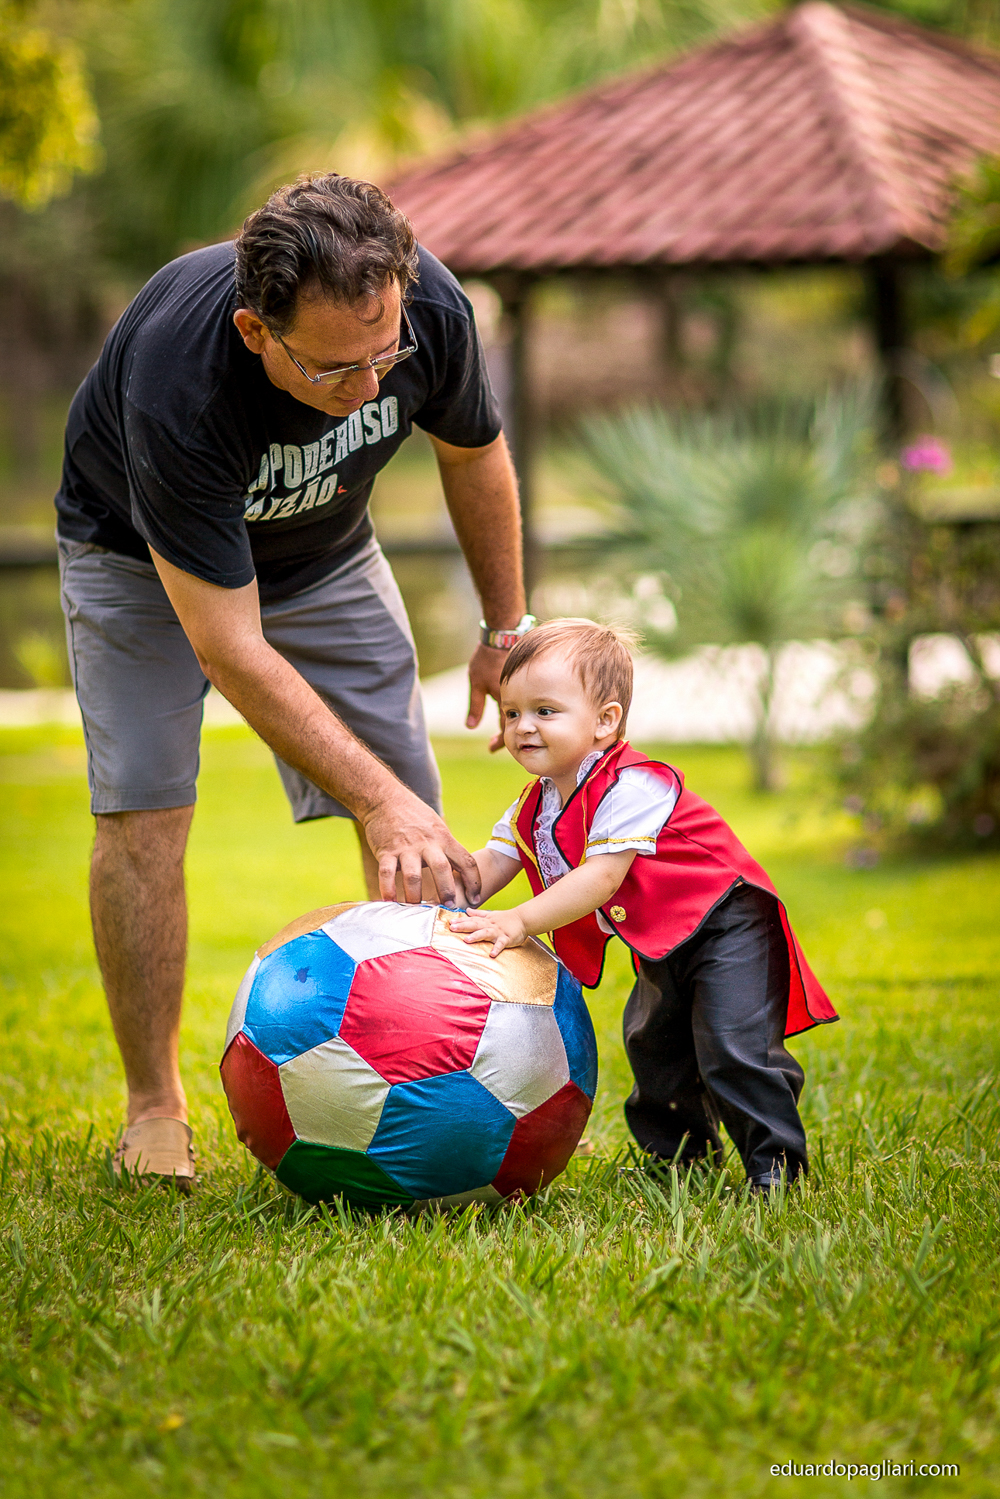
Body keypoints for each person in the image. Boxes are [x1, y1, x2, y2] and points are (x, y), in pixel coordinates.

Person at [55, 173, 533, 1189]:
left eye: (384, 356)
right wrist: (375, 796)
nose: (369, 390)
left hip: (326, 552)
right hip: (137, 557)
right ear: (255, 330)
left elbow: (474, 452)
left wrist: (503, 628)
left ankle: (431, 1074)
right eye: (333, 368)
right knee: (144, 809)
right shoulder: (179, 380)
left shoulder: (428, 307)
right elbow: (228, 646)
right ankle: (154, 1109)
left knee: (412, 810)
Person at [448, 619, 839, 1193]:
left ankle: (775, 1167)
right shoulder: (534, 803)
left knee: (733, 1046)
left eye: (545, 711)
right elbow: (491, 867)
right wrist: (442, 895)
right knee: (654, 1046)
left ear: (606, 721)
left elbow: (601, 879)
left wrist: (519, 921)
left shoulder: (633, 785)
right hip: (663, 937)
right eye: (512, 713)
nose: (523, 727)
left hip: (725, 923)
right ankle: (680, 1164)